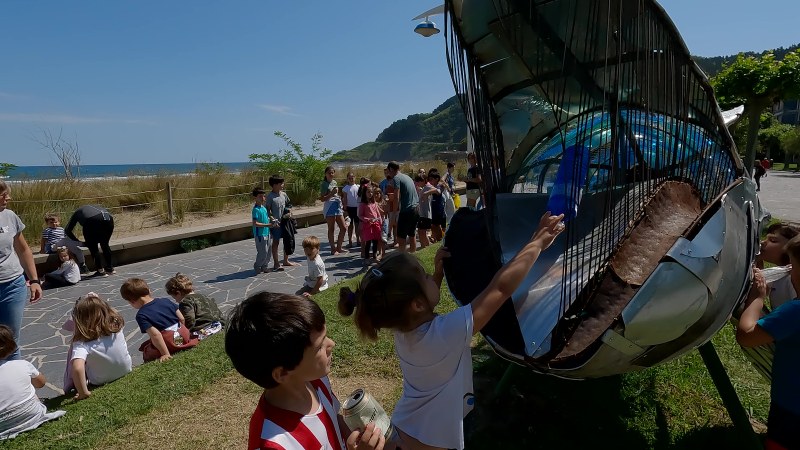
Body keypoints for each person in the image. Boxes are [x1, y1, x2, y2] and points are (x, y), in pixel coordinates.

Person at [339, 212, 565, 450]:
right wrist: (536, 242)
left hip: (409, 430)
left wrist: (436, 276)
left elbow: (420, 310)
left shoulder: (404, 332)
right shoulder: (446, 334)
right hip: (425, 442)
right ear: (417, 304)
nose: (431, 276)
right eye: (425, 276)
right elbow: (500, 288)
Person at [225, 292, 386, 450]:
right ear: (282, 373)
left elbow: (334, 417)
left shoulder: (314, 380)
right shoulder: (275, 444)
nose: (331, 344)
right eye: (319, 346)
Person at [737, 235, 800, 450]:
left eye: (793, 267)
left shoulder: (795, 312)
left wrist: (756, 298)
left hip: (791, 408)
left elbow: (747, 335)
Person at [0, 181, 43, 361]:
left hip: (13, 285)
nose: (8, 198)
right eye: (3, 194)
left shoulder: (9, 216)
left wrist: (34, 280)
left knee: (10, 342)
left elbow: (23, 249)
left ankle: (15, 378)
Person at [0, 325, 65, 439]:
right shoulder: (22, 365)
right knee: (30, 387)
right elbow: (41, 383)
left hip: (2, 425)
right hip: (32, 414)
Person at [64, 293, 132, 401]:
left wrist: (83, 392)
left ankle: (76, 386)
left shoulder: (81, 343)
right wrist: (98, 301)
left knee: (81, 360)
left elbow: (77, 368)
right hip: (126, 369)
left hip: (100, 380)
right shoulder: (116, 327)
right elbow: (112, 312)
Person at [120, 278, 197, 363]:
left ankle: (168, 350)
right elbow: (181, 318)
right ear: (149, 291)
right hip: (183, 334)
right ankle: (184, 343)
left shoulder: (141, 315)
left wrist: (165, 354)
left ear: (132, 301)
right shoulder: (165, 301)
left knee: (146, 349)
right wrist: (182, 332)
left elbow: (156, 335)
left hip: (169, 340)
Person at [758, 222, 800, 309]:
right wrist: (758, 260)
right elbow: (761, 289)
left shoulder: (792, 279)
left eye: (773, 240)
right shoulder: (780, 273)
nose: (763, 242)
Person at [64, 205, 115, 277]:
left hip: (92, 219)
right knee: (105, 244)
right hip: (108, 218)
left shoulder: (77, 212)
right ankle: (110, 269)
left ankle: (100, 271)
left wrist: (78, 242)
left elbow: (67, 230)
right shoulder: (91, 207)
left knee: (93, 247)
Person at [266, 175, 300, 272]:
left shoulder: (284, 194)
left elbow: (289, 205)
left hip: (286, 222)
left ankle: (286, 260)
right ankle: (276, 263)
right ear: (274, 185)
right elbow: (267, 211)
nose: (283, 185)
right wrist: (273, 219)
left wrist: (289, 212)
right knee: (276, 242)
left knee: (287, 239)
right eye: (281, 183)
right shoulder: (270, 197)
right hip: (276, 224)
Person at [385, 162, 419, 253]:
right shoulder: (407, 177)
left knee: (401, 238)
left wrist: (394, 214)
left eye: (388, 171)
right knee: (412, 235)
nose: (388, 173)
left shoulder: (396, 178)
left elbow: (396, 197)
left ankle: (401, 258)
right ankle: (413, 255)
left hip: (407, 211)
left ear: (391, 169)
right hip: (416, 209)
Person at [320, 166, 346, 255]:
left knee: (343, 227)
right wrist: (331, 193)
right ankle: (333, 249)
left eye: (332, 173)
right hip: (329, 206)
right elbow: (322, 199)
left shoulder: (334, 182)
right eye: (329, 173)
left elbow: (336, 194)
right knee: (331, 228)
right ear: (325, 174)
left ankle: (339, 247)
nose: (331, 174)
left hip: (337, 206)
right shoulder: (324, 184)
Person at [358, 182, 382, 264]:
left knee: (375, 241)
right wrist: (368, 219)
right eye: (368, 192)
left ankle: (375, 256)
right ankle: (367, 258)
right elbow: (360, 215)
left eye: (371, 192)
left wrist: (380, 220)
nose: (370, 194)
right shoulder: (362, 204)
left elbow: (377, 213)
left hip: (376, 224)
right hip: (368, 225)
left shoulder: (374, 202)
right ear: (365, 193)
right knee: (368, 242)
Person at [252, 187, 273, 274]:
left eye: (263, 196)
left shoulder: (263, 208)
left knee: (269, 251)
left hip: (267, 233)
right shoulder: (255, 210)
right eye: (260, 196)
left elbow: (266, 218)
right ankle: (257, 265)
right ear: (255, 197)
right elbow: (255, 223)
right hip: (260, 235)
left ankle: (265, 266)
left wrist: (272, 221)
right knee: (263, 252)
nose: (262, 198)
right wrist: (267, 225)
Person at [414, 175, 439, 250]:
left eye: (418, 181)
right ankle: (423, 247)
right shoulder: (422, 188)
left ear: (422, 181)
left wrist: (427, 193)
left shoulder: (427, 186)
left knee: (423, 232)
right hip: (422, 214)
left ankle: (427, 247)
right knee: (420, 231)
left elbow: (437, 190)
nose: (417, 183)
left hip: (426, 214)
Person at [379, 169, 399, 246]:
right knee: (388, 223)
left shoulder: (396, 183)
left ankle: (396, 240)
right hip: (387, 206)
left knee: (395, 224)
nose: (387, 174)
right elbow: (381, 194)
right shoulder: (383, 183)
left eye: (388, 172)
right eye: (385, 173)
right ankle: (388, 239)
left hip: (395, 207)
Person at [342, 172, 362, 249]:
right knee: (350, 225)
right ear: (347, 179)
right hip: (349, 208)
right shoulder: (346, 188)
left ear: (355, 177)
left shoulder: (358, 187)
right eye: (349, 178)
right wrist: (345, 209)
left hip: (357, 208)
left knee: (357, 225)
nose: (351, 179)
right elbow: (345, 199)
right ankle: (350, 241)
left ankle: (358, 240)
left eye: (352, 177)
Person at [428, 170, 447, 242]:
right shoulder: (432, 186)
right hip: (433, 209)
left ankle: (440, 240)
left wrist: (428, 191)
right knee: (433, 225)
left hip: (439, 210)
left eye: (431, 179)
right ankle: (435, 238)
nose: (430, 181)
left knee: (437, 226)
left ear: (436, 179)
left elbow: (438, 192)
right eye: (429, 179)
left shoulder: (440, 186)